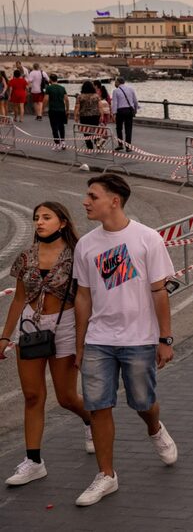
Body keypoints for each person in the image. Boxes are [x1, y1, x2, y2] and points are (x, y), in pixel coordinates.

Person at [72, 174, 178, 506]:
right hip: (99, 339)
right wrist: (80, 343)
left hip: (139, 338)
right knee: (98, 406)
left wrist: (165, 338)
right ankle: (107, 475)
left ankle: (155, 428)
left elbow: (160, 293)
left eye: (93, 196)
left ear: (114, 200)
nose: (86, 201)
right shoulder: (86, 244)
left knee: (143, 402)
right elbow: (83, 298)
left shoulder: (148, 239)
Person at [1, 202, 93, 487]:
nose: (39, 222)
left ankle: (92, 422)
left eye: (46, 217)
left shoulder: (78, 256)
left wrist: (83, 341)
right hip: (30, 325)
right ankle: (34, 461)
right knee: (32, 396)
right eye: (36, 218)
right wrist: (5, 336)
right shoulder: (26, 257)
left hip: (65, 325)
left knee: (66, 398)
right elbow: (18, 299)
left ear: (62, 222)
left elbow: (87, 298)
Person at [111, 77, 140, 150]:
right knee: (128, 129)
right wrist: (135, 110)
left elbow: (115, 103)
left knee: (119, 128)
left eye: (115, 82)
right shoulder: (131, 89)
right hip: (129, 110)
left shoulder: (115, 91)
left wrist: (114, 113)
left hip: (120, 111)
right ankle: (128, 146)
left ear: (118, 82)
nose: (115, 83)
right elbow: (135, 101)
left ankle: (120, 144)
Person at [43, 73, 69, 150]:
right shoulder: (62, 88)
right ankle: (63, 142)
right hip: (61, 109)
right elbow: (66, 100)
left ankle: (57, 143)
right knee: (61, 126)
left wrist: (42, 109)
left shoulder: (49, 88)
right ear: (57, 79)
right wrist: (67, 109)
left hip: (53, 110)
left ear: (50, 80)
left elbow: (46, 99)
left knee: (54, 127)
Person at [74, 82, 103, 151]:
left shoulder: (80, 96)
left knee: (86, 132)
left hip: (84, 116)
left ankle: (90, 147)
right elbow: (100, 106)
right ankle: (96, 141)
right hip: (95, 115)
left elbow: (77, 107)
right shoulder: (96, 96)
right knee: (95, 130)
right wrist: (102, 115)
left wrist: (75, 116)